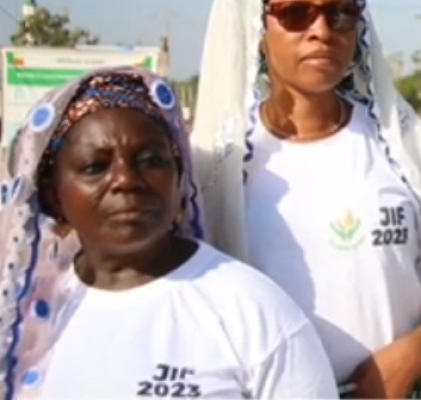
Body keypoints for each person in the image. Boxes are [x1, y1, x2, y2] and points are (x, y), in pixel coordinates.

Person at [189, 0, 421, 398]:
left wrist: (420, 349)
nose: (321, 31)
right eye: (295, 13)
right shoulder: (218, 170)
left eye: (341, 13)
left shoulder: (401, 148)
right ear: (258, 27)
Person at [0, 67, 337, 399]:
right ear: (52, 193)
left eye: (150, 160)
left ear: (180, 177)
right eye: (95, 167)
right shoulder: (24, 321)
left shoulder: (253, 311)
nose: (125, 181)